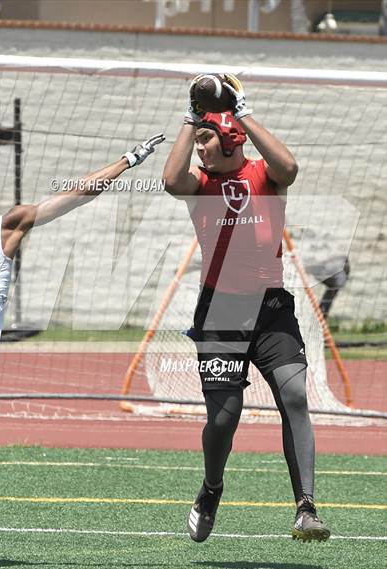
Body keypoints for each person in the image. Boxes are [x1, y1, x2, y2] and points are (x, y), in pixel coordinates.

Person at [0, 132, 165, 535]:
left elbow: (76, 194)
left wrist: (126, 161)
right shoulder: (4, 226)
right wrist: (127, 159)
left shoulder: (3, 225)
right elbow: (75, 194)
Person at [163, 74, 330, 543]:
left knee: (295, 397)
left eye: (204, 139)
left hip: (272, 309)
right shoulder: (200, 185)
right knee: (224, 417)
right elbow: (170, 179)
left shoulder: (262, 175)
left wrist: (243, 112)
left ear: (231, 136)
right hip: (220, 311)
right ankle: (211, 487)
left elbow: (290, 166)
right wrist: (191, 118)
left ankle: (306, 507)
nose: (199, 148)